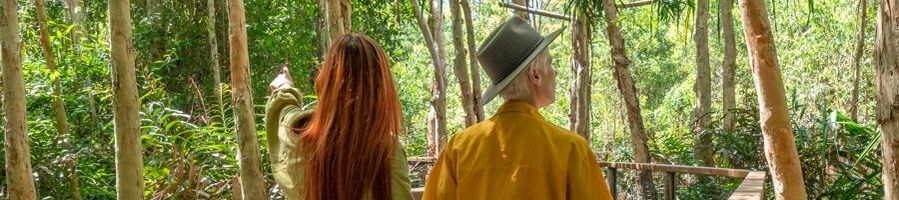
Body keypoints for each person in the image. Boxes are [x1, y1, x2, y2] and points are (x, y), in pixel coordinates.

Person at [422, 17, 613, 200]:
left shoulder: (459, 147)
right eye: (550, 64)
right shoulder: (570, 148)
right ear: (535, 75)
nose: (554, 73)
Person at [265, 34, 413, 200]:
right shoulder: (388, 151)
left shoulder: (298, 136)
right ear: (382, 87)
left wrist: (284, 88)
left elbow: (284, 115)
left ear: (327, 82)